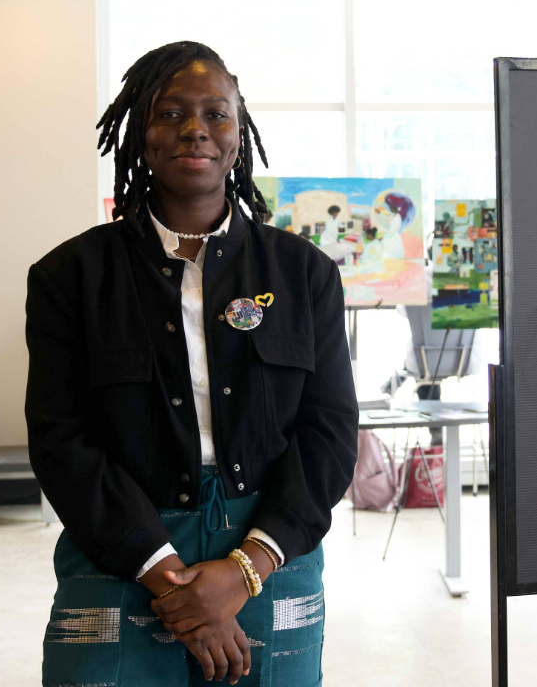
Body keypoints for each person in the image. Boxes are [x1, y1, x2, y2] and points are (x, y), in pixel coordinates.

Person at [26, 41, 358, 686]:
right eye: (170, 113)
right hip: (121, 542)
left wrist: (244, 571)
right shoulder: (70, 275)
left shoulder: (304, 273)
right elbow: (61, 438)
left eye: (217, 113)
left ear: (239, 135)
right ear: (139, 133)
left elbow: (330, 432)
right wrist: (167, 577)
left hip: (271, 541)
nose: (195, 130)